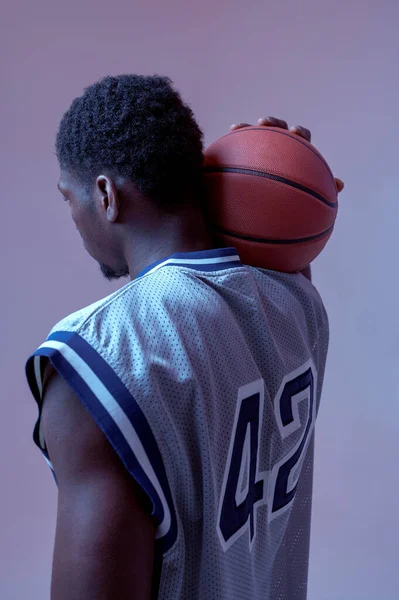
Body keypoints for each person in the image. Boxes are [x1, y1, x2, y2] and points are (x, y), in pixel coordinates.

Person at [25, 74, 343, 600]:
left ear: (105, 194)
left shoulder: (99, 353)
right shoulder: (297, 302)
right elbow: (265, 270)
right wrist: (276, 176)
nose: (74, 219)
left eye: (70, 198)